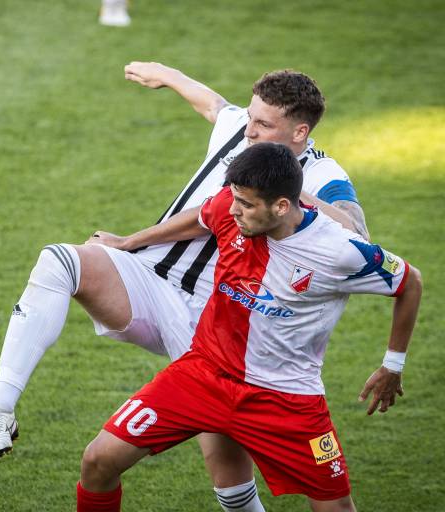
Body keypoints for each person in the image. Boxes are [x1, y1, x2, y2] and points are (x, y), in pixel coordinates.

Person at [0, 66, 369, 511]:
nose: (249, 130)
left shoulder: (320, 173)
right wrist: (167, 75)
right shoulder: (240, 129)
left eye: (263, 124)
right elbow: (215, 106)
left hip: (217, 321)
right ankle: (0, 411)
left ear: (300, 132)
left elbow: (357, 231)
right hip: (151, 281)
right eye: (251, 117)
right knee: (60, 260)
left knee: (229, 478)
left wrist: (293, 194)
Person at [76, 142, 422, 512]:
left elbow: (410, 282)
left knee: (335, 507)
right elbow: (204, 216)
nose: (233, 209)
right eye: (234, 198)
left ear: (282, 206)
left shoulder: (341, 251)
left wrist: (393, 365)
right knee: (98, 461)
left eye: (246, 204)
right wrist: (128, 241)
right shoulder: (234, 205)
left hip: (285, 399)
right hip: (203, 374)